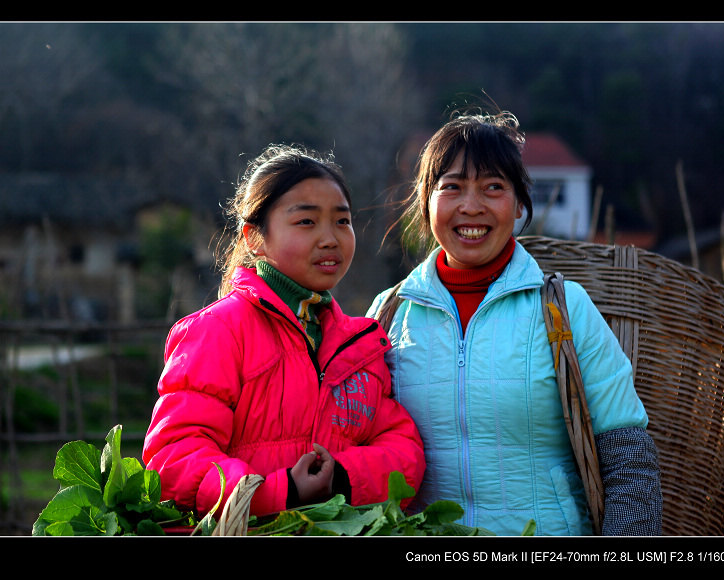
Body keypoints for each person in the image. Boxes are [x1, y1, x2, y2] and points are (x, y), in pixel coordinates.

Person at [367, 110, 662, 536]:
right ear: (426, 199)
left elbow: (628, 459)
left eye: (493, 188)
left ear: (520, 203)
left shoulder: (564, 308)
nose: (472, 207)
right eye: (452, 187)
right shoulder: (388, 315)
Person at [143, 144, 425, 518]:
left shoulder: (362, 347)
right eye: (306, 222)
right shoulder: (219, 331)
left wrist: (341, 479)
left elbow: (403, 450)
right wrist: (280, 492)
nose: (330, 238)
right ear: (254, 237)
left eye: (342, 221)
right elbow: (175, 457)